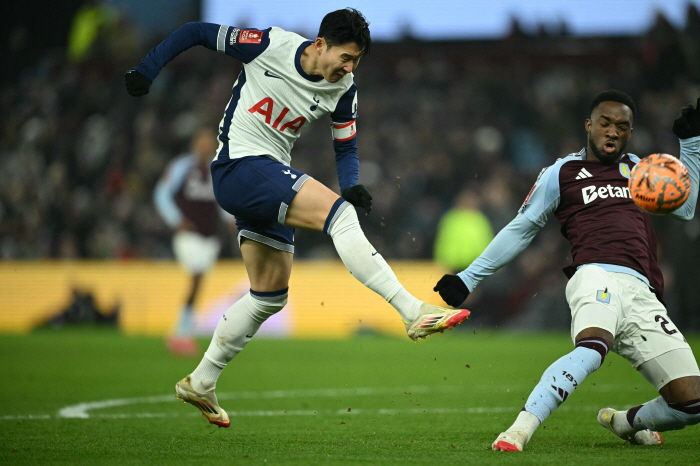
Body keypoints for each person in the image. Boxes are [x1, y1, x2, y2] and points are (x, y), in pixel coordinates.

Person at [126, 8, 469, 428]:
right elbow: (198, 31)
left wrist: (352, 183)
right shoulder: (270, 44)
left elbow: (344, 146)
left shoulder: (344, 88)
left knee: (269, 295)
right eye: (345, 57)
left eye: (356, 61)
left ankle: (202, 380)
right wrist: (148, 69)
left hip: (263, 179)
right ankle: (412, 310)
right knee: (340, 219)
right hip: (239, 166)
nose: (348, 67)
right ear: (320, 44)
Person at [434, 91, 700, 451]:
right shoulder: (562, 172)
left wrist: (692, 144)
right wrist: (468, 278)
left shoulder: (640, 169)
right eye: (605, 123)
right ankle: (518, 430)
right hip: (595, 276)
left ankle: (623, 422)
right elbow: (520, 228)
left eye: (622, 127)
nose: (612, 132)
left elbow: (684, 209)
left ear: (630, 132)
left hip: (643, 293)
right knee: (591, 349)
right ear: (589, 125)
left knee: (691, 402)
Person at [153, 127, 231, 357]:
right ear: (195, 143)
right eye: (203, 141)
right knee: (196, 276)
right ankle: (180, 332)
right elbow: (161, 193)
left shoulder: (217, 168)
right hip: (189, 234)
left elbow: (222, 199)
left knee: (198, 281)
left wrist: (229, 219)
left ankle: (182, 331)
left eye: (210, 142)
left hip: (210, 236)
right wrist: (176, 219)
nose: (207, 146)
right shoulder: (182, 166)